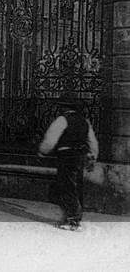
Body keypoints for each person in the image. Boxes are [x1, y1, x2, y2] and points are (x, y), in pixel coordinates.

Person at [38, 94, 98, 231]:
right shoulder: (85, 121)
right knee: (76, 186)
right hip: (80, 156)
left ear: (64, 108)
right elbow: (92, 141)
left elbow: (50, 140)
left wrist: (43, 151)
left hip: (66, 156)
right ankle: (74, 217)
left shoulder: (61, 120)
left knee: (66, 186)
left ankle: (73, 219)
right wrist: (93, 156)